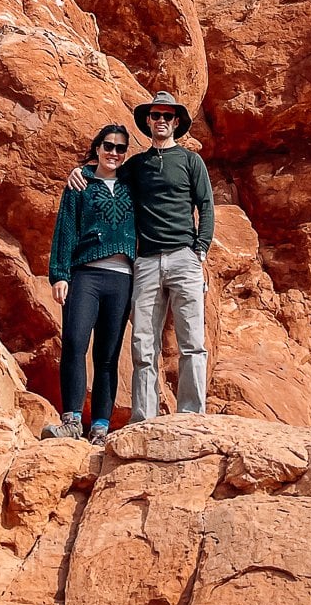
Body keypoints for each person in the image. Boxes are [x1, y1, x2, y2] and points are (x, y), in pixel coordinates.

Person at [70, 91, 214, 421]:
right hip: (146, 262)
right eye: (155, 116)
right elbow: (107, 174)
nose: (161, 121)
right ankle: (144, 418)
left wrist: (200, 250)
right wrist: (80, 172)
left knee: (191, 341)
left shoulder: (191, 161)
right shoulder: (137, 165)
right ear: (148, 122)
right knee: (142, 342)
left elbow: (205, 206)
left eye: (167, 116)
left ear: (176, 122)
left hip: (183, 257)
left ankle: (191, 414)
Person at [45, 122, 137, 446]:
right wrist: (59, 274)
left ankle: (100, 427)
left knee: (108, 355)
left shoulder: (132, 186)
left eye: (120, 148)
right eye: (108, 146)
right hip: (85, 273)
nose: (114, 152)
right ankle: (71, 420)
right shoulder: (80, 184)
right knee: (73, 341)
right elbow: (65, 228)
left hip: (122, 279)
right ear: (97, 148)